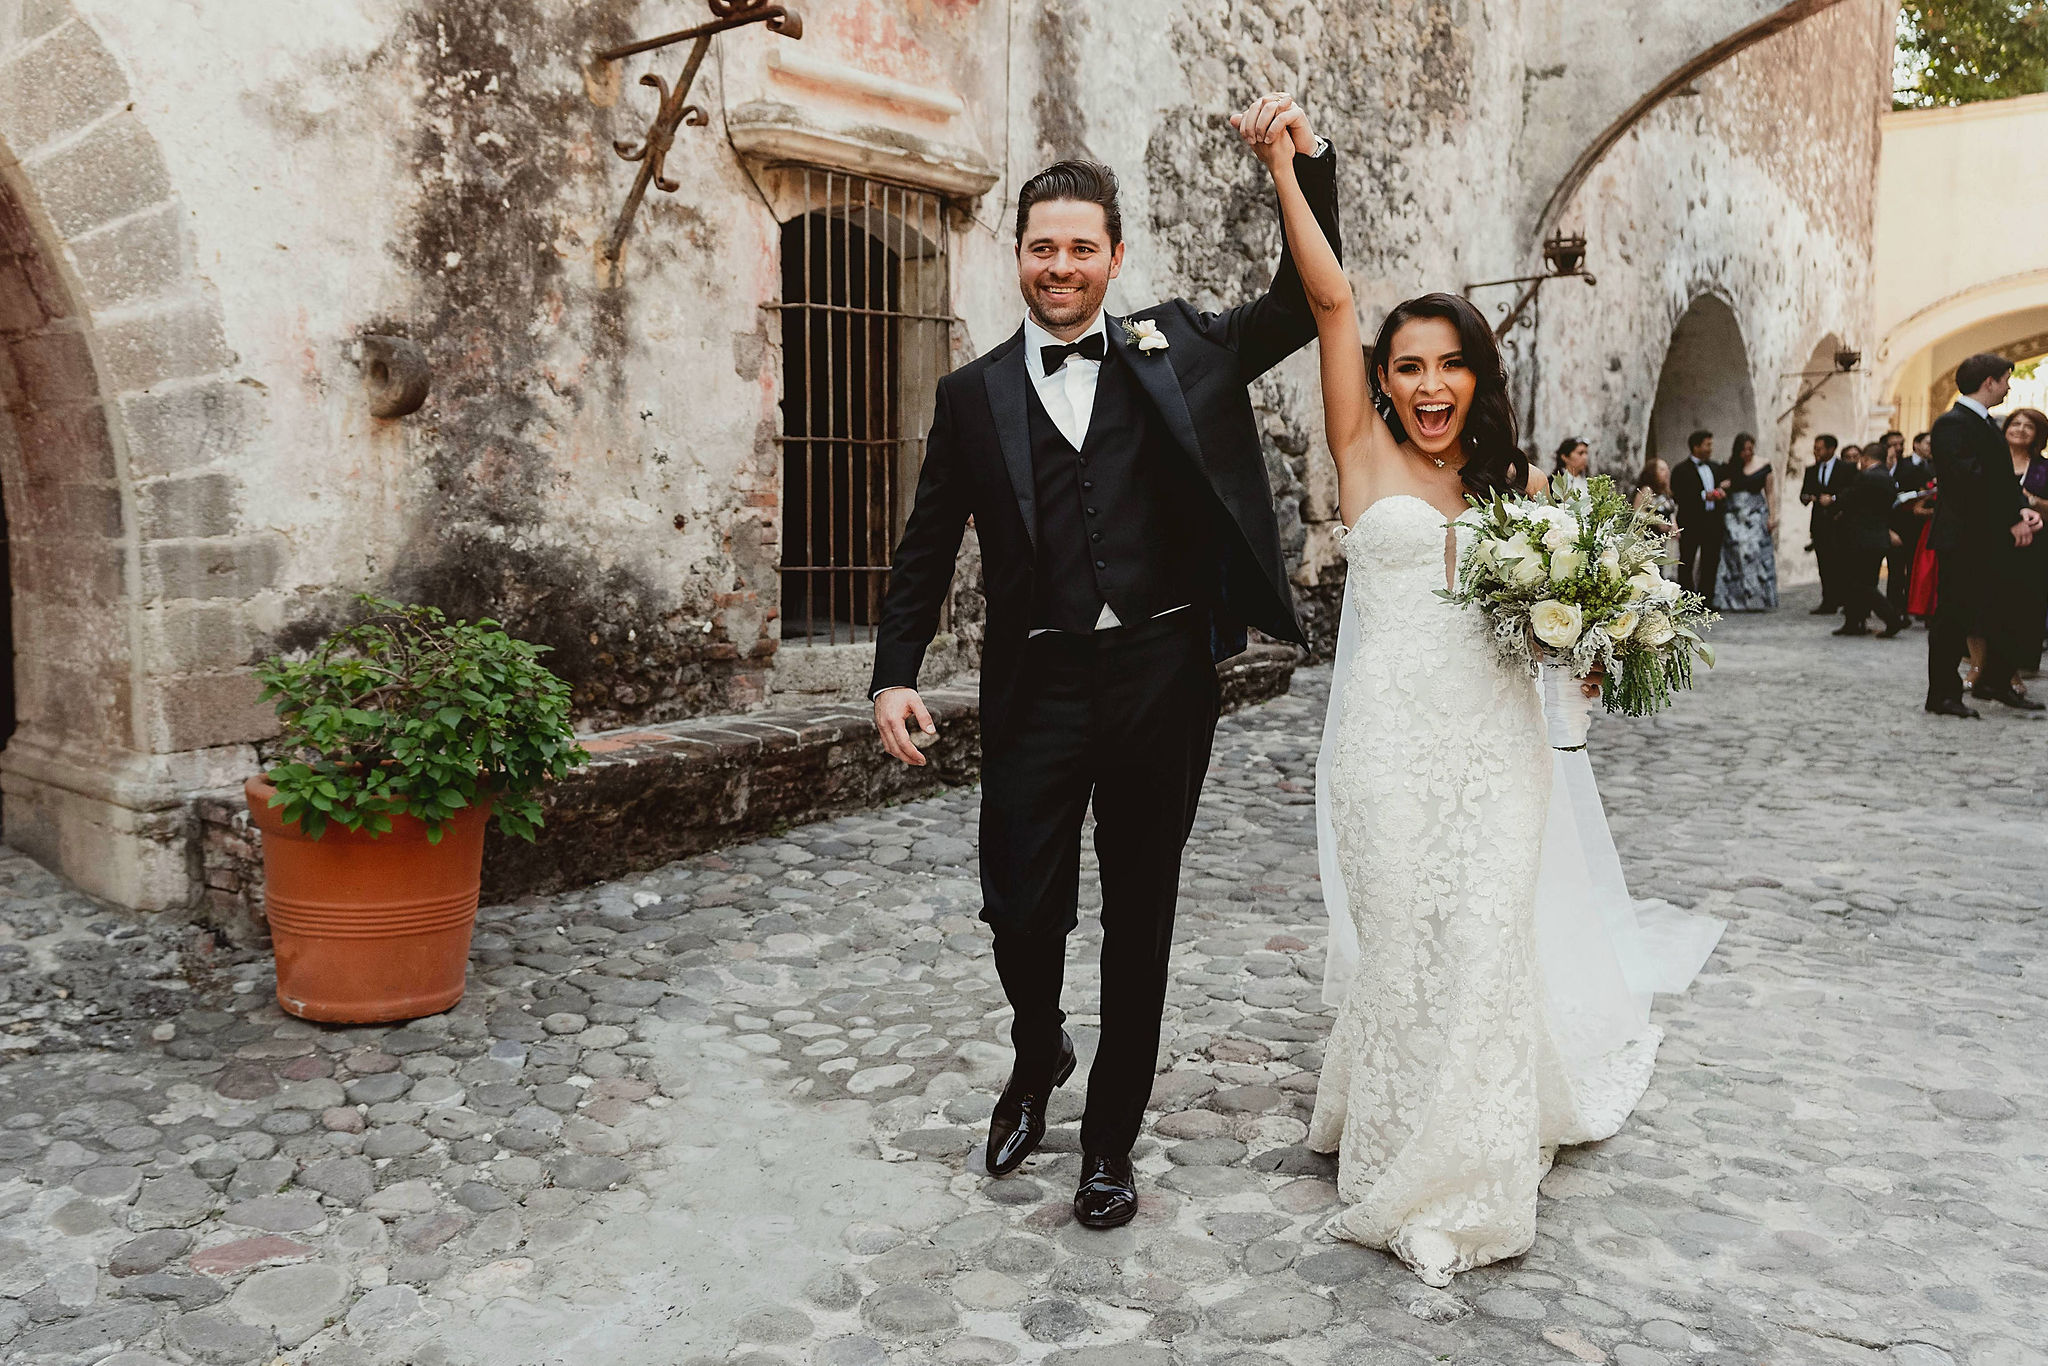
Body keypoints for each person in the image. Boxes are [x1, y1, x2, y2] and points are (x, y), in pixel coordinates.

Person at [1246, 104, 1717, 1289]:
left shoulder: (1515, 487)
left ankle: (1463, 1170)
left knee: (1482, 943)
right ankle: (1398, 1126)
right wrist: (1283, 172)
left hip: (1496, 748)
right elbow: (1330, 302)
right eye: (1407, 367)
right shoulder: (1361, 454)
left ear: (1476, 373)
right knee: (1405, 938)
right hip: (1385, 748)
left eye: (1448, 361)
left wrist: (1596, 640)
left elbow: (1545, 629)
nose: (1426, 382)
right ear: (1385, 383)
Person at [868, 97, 1341, 1229]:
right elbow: (927, 544)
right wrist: (892, 670)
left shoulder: (1178, 349)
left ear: (1114, 256)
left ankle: (1110, 1143)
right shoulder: (970, 395)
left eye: (1083, 247)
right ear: (1016, 258)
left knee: (1139, 912)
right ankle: (1039, 1052)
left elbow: (1299, 300)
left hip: (1159, 680)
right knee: (1020, 910)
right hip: (1033, 685)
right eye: (1043, 248)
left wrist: (1301, 166)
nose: (1062, 266)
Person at [1925, 353, 2044, 716]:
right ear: (1989, 381)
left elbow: (1997, 478)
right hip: (1964, 537)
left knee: (2006, 609)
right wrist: (2010, 518)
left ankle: (1995, 681)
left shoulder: (1987, 423)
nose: (2009, 385)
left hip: (1988, 536)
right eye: (2006, 379)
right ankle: (1943, 694)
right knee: (1955, 617)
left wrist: (2021, 508)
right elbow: (1969, 481)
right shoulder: (1953, 424)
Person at [1831, 444, 1904, 637]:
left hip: (1861, 538)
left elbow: (1848, 499)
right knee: (1865, 581)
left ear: (1865, 459)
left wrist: (1834, 501)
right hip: (1877, 537)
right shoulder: (1887, 477)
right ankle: (1855, 622)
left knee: (1859, 584)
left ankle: (1891, 618)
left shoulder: (1867, 477)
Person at [1998, 408, 2048, 676]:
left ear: (2038, 434)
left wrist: (2034, 501)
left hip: (2035, 544)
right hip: (1994, 541)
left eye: (2028, 426)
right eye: (2015, 423)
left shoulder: (2044, 468)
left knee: (2028, 601)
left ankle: (2024, 661)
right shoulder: (1992, 461)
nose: (2020, 429)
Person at [1712, 432, 1778, 611]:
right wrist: (1723, 488)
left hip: (1756, 513)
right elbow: (1720, 489)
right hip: (1734, 515)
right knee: (1736, 555)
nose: (1748, 453)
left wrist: (1772, 516)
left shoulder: (1763, 465)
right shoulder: (1730, 466)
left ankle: (1758, 598)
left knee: (1755, 552)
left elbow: (1770, 492)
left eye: (1750, 448)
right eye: (1744, 449)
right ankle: (1735, 598)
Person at [1799, 435, 1854, 614]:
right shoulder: (1811, 470)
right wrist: (1808, 498)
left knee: (1842, 563)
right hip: (1820, 523)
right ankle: (1828, 600)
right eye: (1815, 448)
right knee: (1824, 563)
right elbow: (1804, 494)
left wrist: (1834, 499)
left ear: (1831, 449)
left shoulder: (1846, 468)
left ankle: (1846, 600)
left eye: (1819, 448)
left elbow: (1852, 491)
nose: (1816, 452)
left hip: (1839, 522)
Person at [1670, 431, 1725, 604]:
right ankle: (1687, 600)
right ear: (1696, 446)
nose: (1710, 448)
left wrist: (1721, 492)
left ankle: (1706, 600)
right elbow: (1678, 495)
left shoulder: (1715, 467)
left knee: (1711, 561)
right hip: (1691, 521)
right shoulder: (1681, 469)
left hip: (1712, 521)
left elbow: (1724, 485)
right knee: (1687, 560)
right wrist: (1703, 495)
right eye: (1707, 444)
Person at [1889, 430, 1935, 622]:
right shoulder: (1901, 464)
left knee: (1916, 568)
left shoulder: (1934, 466)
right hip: (1902, 523)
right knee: (1897, 568)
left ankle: (1913, 605)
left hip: (1923, 526)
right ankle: (1894, 608)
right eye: (1927, 443)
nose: (1930, 448)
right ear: (1916, 444)